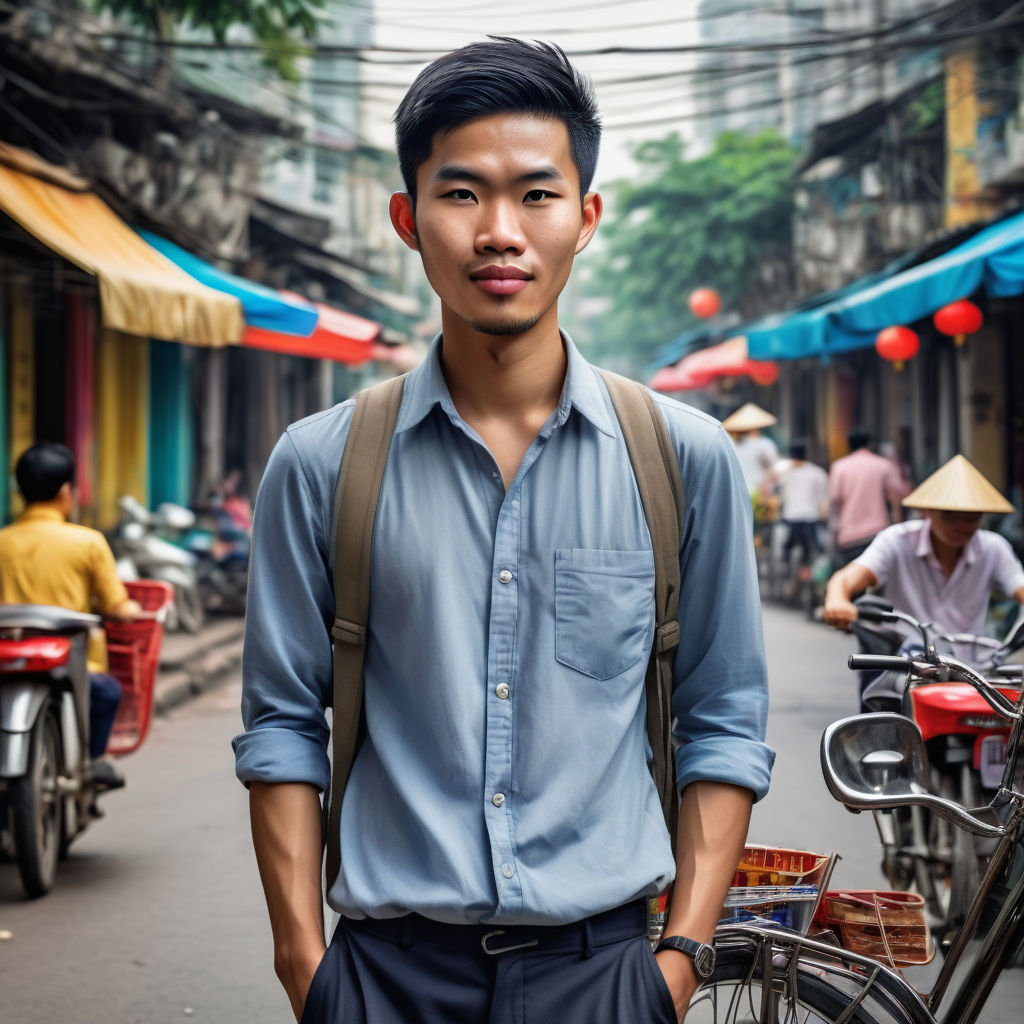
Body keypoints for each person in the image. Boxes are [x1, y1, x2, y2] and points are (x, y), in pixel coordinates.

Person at [233, 38, 773, 1024]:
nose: (499, 232)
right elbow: (280, 724)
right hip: (383, 978)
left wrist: (680, 959)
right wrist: (305, 965)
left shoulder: (683, 460)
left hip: (605, 975)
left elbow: (723, 717)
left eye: (535, 194)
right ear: (407, 218)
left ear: (585, 216)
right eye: (460, 194)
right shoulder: (320, 465)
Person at [0, 443, 145, 788]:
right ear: (67, 492)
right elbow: (115, 606)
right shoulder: (88, 542)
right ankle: (94, 759)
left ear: (20, 494)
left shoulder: (2, 541)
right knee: (107, 691)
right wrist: (136, 609)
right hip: (72, 664)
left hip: (8, 659)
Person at [823, 454, 1024, 642]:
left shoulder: (993, 547)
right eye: (951, 518)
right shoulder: (896, 540)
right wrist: (838, 598)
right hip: (901, 661)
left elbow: (1019, 585)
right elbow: (847, 577)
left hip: (970, 665)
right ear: (927, 512)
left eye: (970, 520)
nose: (961, 527)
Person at [828, 426, 908, 568]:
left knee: (851, 584)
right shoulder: (883, 465)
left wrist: (834, 534)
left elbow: (835, 501)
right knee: (878, 583)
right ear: (869, 443)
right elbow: (898, 496)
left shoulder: (839, 467)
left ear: (849, 444)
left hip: (848, 536)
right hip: (877, 535)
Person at [772, 439, 828, 579]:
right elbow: (823, 501)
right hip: (811, 519)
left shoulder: (783, 473)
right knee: (814, 553)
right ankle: (807, 575)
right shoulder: (817, 472)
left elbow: (773, 490)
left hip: (790, 519)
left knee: (785, 552)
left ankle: (786, 573)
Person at [721, 403, 779, 494]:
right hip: (758, 491)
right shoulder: (765, 444)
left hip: (739, 491)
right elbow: (774, 470)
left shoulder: (732, 444)